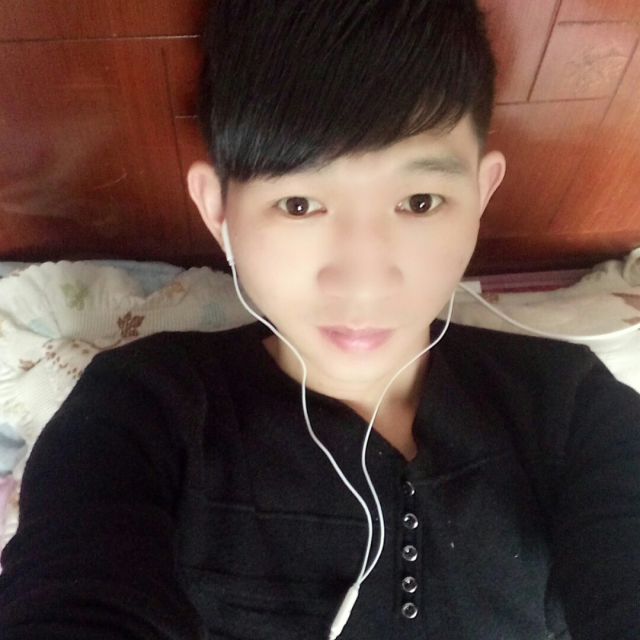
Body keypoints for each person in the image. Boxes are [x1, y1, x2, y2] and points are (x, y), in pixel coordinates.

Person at [1, 1, 639, 638]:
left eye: (420, 202)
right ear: (218, 209)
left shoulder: (571, 408)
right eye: (299, 204)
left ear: (480, 194)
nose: (363, 282)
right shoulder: (145, 411)